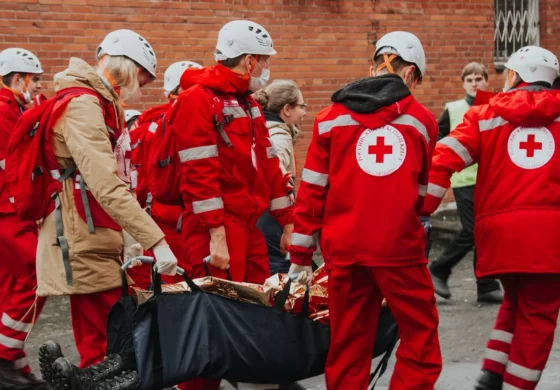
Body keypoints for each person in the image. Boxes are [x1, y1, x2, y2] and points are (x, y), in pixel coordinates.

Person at [289, 31, 442, 389]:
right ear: (410, 75)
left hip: (344, 250)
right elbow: (423, 195)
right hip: (399, 250)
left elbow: (312, 189)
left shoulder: (329, 119)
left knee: (348, 343)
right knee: (420, 335)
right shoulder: (422, 121)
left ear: (372, 68)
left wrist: (299, 255)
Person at [34, 29, 178, 390]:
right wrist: (155, 241)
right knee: (100, 343)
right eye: (142, 77)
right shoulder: (84, 105)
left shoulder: (98, 101)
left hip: (92, 229)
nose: (141, 88)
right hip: (82, 232)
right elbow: (106, 184)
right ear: (128, 68)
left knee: (107, 337)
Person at [421, 46, 560, 390]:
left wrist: (423, 209)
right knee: (538, 316)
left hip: (498, 234)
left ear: (513, 76)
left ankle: (492, 376)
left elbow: (443, 159)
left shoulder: (484, 115)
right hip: (549, 236)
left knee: (515, 302)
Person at [168, 20, 294, 390]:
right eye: (265, 60)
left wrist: (287, 221)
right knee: (209, 325)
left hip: (247, 227)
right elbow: (199, 172)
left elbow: (269, 165)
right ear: (251, 61)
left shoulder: (246, 103)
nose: (267, 68)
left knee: (254, 313)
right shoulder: (198, 99)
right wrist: (216, 235)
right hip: (215, 231)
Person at [429, 62, 503, 303]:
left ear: (486, 81)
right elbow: (437, 138)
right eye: (470, 79)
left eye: (478, 79)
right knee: (472, 230)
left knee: (487, 231)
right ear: (463, 83)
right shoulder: (453, 109)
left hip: (491, 179)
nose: (474, 83)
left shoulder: (496, 106)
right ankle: (439, 269)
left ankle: (486, 284)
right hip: (463, 179)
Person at [128, 60, 202, 288]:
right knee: (193, 286)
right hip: (185, 219)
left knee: (168, 286)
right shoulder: (190, 120)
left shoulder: (146, 125)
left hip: (155, 218)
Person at [0, 48, 48, 388]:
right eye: (34, 80)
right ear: (19, 79)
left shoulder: (15, 108)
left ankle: (14, 365)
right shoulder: (5, 111)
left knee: (11, 286)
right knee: (39, 275)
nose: (36, 87)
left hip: (12, 211)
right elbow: (15, 167)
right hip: (8, 211)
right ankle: (4, 353)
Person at [254, 80, 306, 274]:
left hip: (261, 220)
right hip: (273, 224)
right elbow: (275, 171)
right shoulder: (279, 134)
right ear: (286, 109)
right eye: (301, 106)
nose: (304, 112)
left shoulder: (260, 128)